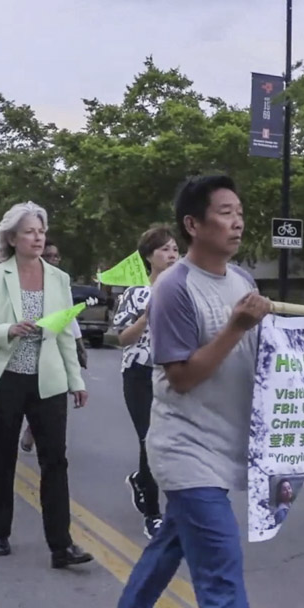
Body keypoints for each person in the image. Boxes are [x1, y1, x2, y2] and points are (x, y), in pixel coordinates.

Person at [107, 174, 279, 608]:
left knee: (171, 541)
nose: (238, 221)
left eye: (239, 210)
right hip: (186, 448)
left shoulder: (242, 279)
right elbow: (181, 378)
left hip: (227, 441)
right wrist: (236, 327)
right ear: (192, 224)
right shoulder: (173, 289)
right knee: (221, 576)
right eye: (225, 211)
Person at [0, 202, 93, 569]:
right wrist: (7, 329)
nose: (37, 238)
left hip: (47, 380)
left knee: (55, 460)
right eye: (29, 232)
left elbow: (66, 332)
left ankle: (60, 544)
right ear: (12, 237)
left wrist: (76, 380)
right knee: (0, 457)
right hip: (4, 379)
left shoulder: (59, 279)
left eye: (41, 231)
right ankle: (0, 530)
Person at [112, 225, 180, 538]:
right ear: (149, 256)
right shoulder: (136, 293)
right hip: (139, 374)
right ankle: (153, 513)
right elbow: (122, 339)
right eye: (164, 249)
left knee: (167, 441)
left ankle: (142, 480)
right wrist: (145, 316)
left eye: (175, 250)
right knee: (149, 439)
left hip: (173, 374)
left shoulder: (184, 292)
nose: (171, 255)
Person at [19, 239, 87, 453]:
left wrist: (79, 345)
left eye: (56, 256)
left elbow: (69, 317)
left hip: (56, 346)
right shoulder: (24, 278)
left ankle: (34, 428)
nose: (53, 260)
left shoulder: (60, 281)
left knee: (51, 393)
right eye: (48, 256)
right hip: (26, 348)